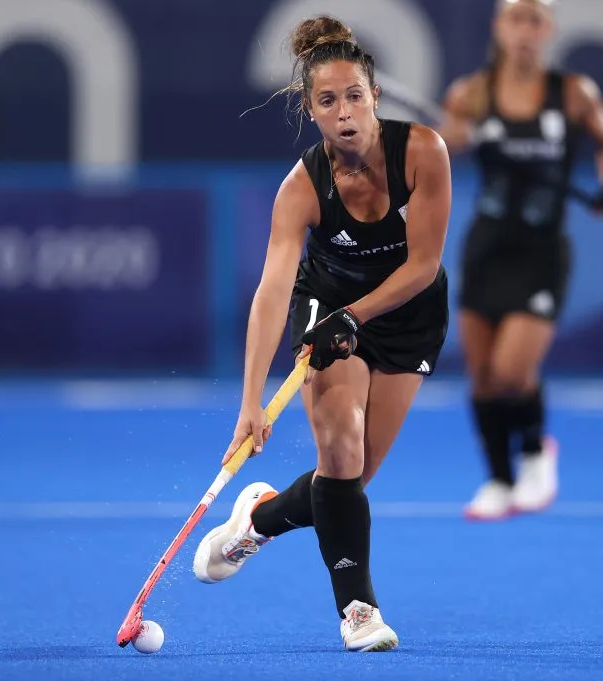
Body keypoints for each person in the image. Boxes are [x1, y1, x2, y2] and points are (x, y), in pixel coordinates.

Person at [191, 15, 452, 652]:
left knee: (349, 481)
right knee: (339, 451)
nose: (344, 112)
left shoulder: (422, 153)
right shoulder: (301, 189)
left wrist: (358, 318)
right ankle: (358, 610)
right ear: (311, 110)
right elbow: (270, 295)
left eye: (355, 96)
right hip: (326, 306)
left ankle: (257, 521)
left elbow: (423, 266)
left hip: (407, 314)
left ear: (375, 98)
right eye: (328, 100)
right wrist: (250, 403)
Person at [438, 0, 603, 520]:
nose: (525, 31)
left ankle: (535, 451)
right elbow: (438, 154)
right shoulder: (470, 95)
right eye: (515, 19)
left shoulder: (571, 93)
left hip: (542, 253)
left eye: (535, 21)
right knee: (480, 375)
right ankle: (499, 480)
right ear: (500, 28)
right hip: (487, 248)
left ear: (548, 30)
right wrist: (452, 143)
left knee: (510, 369)